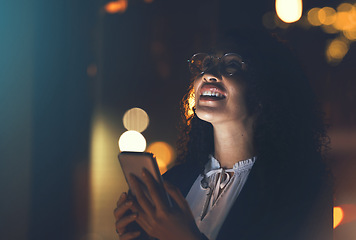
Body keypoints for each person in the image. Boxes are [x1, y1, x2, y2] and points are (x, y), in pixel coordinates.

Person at [114, 29, 333, 240]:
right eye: (207, 64)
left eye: (232, 65)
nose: (208, 74)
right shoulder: (174, 182)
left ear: (266, 89)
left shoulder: (301, 192)